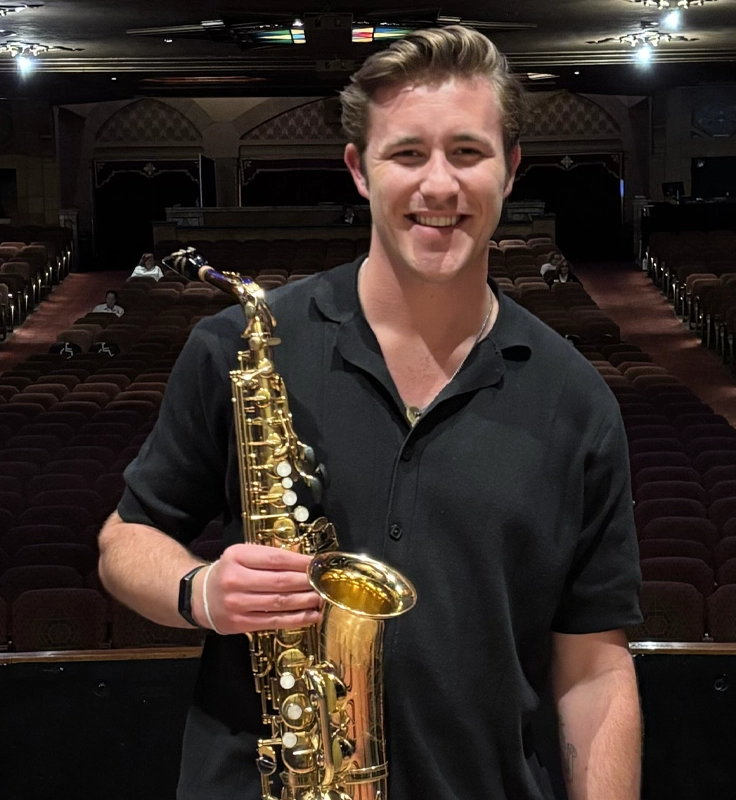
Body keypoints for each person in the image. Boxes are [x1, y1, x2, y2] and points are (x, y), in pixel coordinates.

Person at [98, 26, 642, 800]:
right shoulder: (236, 348)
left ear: (512, 169)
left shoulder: (577, 399)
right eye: (407, 154)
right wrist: (201, 592)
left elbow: (593, 664)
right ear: (359, 169)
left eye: (467, 152)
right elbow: (126, 540)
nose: (440, 187)